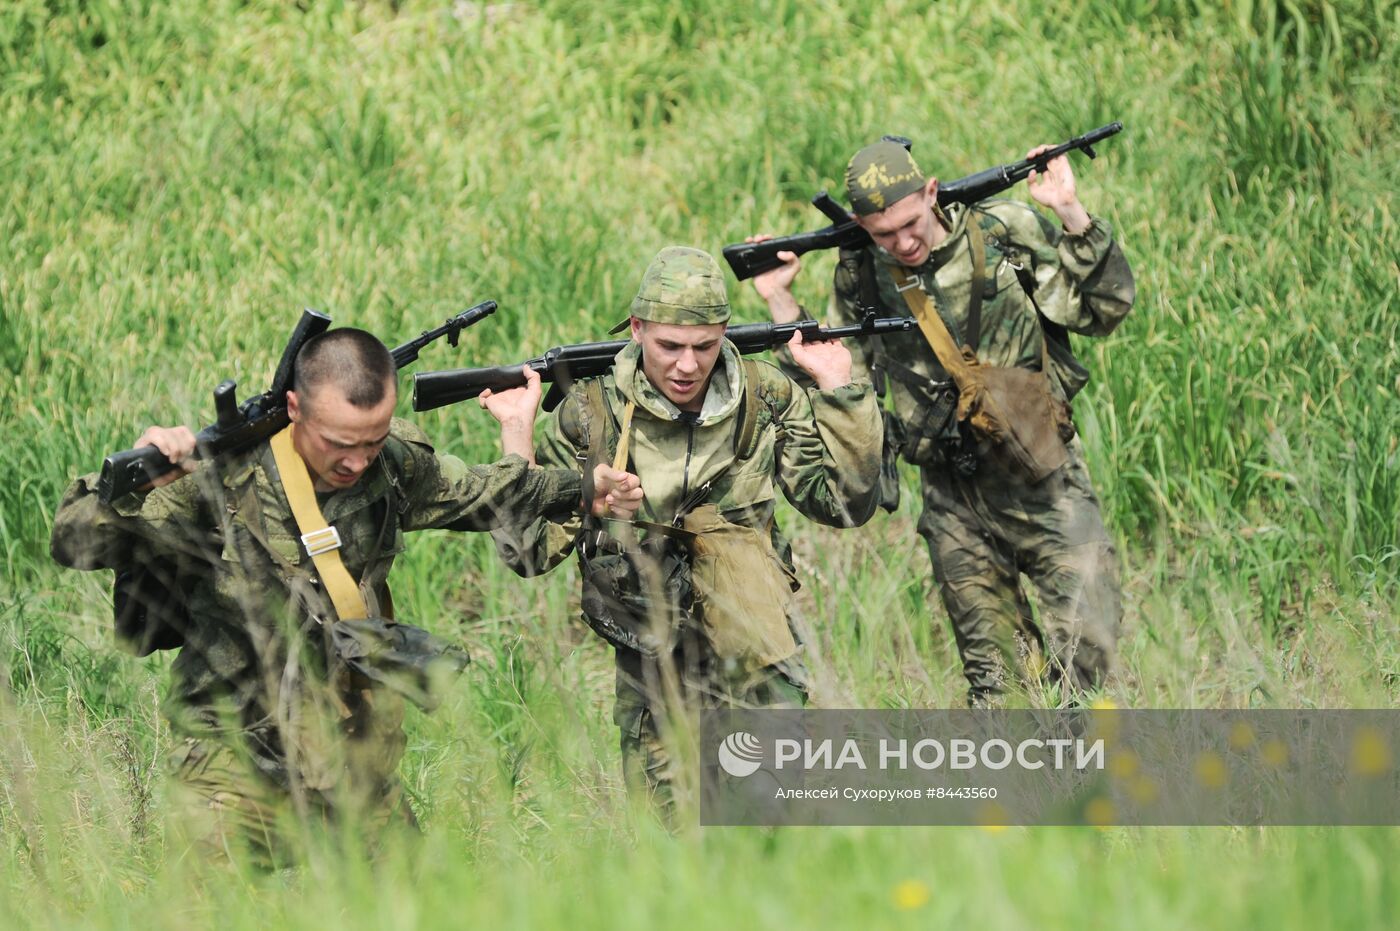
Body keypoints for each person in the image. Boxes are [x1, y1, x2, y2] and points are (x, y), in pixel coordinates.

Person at [50, 327, 639, 862]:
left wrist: (582, 489)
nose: (356, 461)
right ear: (294, 408)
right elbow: (72, 543)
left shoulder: (391, 466)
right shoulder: (216, 477)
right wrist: (134, 481)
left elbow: (480, 492)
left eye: (373, 441)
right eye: (339, 443)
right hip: (228, 758)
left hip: (350, 751)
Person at [490, 246, 883, 808]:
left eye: (704, 346)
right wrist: (519, 441)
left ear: (724, 333)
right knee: (669, 836)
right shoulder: (587, 414)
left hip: (757, 649)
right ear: (637, 329)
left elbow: (843, 505)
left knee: (776, 819)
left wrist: (841, 392)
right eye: (668, 346)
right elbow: (526, 554)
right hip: (652, 660)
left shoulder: (765, 395)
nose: (686, 365)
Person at [748, 138, 1136, 705]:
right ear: (860, 226)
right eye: (883, 233)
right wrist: (780, 302)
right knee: (998, 684)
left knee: (1093, 642)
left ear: (931, 193)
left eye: (911, 223)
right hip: (955, 499)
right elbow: (839, 376)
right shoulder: (864, 276)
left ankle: (1079, 769)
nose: (902, 242)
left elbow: (1102, 310)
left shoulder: (1003, 233)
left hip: (1045, 478)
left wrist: (1069, 211)